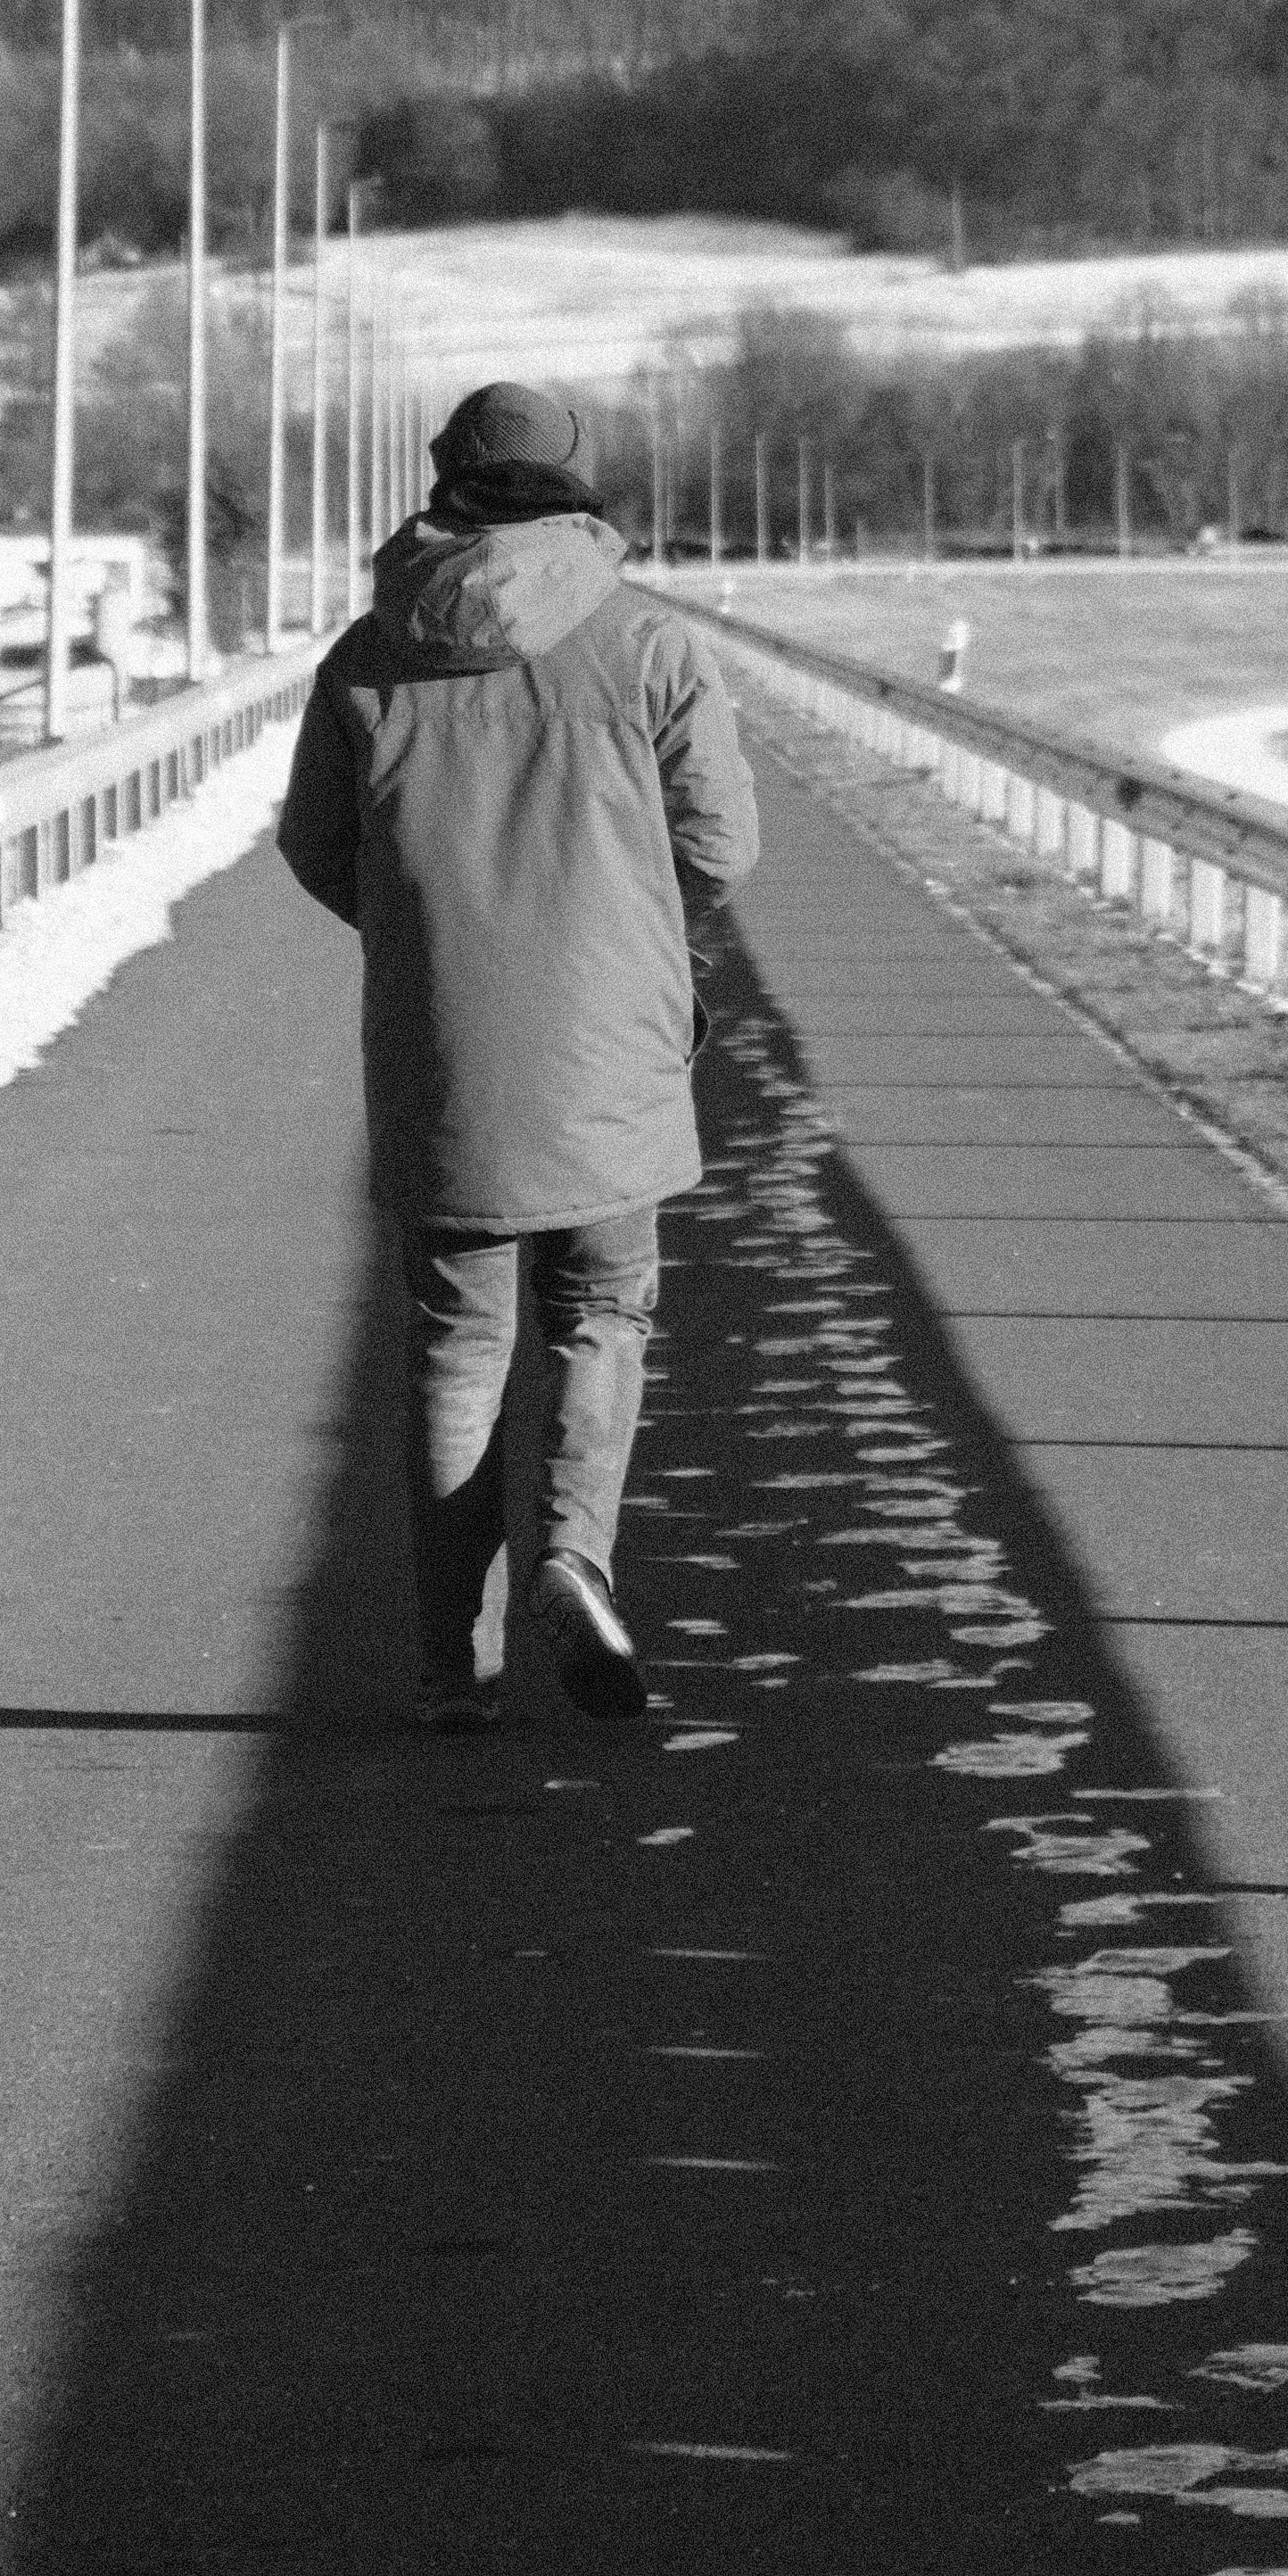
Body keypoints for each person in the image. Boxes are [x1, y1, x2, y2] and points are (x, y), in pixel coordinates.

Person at [278, 377, 758, 1727]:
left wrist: (422, 928)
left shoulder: (366, 660)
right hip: (610, 1052)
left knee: (454, 1349)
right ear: (576, 485)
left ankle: (454, 1666)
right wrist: (639, 927)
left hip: (444, 1056)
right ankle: (575, 1556)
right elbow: (723, 847)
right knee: (604, 1315)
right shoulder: (649, 649)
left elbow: (316, 846)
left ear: (443, 480)